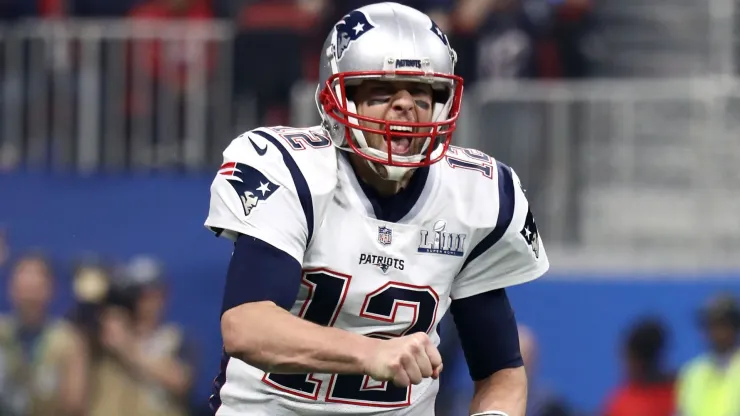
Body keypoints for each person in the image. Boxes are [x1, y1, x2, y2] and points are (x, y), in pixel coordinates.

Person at [204, 2, 549, 415]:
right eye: (382, 91)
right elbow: (247, 326)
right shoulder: (290, 170)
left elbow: (501, 372)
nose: (405, 106)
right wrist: (368, 353)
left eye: (422, 92)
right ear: (338, 99)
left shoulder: (475, 194)